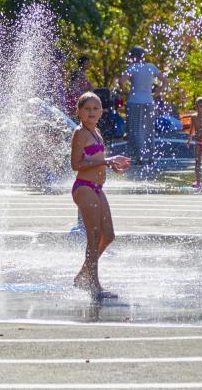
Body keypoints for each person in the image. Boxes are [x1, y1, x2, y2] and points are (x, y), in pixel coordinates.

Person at [70, 92, 131, 298]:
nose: (92, 112)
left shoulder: (96, 132)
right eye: (87, 108)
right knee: (94, 236)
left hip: (97, 188)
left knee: (109, 234)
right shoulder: (80, 133)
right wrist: (107, 160)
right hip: (84, 187)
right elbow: (76, 164)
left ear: (102, 111)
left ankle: (83, 273)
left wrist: (113, 166)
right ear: (78, 111)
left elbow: (98, 161)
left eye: (96, 108)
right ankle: (93, 284)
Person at [119, 46, 167, 165]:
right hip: (149, 101)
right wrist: (157, 92)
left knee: (135, 129)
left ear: (133, 56)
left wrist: (126, 91)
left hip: (134, 101)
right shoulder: (151, 67)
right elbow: (165, 81)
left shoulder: (133, 67)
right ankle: (150, 156)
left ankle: (139, 156)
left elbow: (121, 81)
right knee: (149, 130)